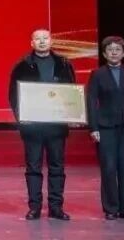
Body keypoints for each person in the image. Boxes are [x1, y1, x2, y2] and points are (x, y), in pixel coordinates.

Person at [9, 29, 77, 221]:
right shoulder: (22, 65)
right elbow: (13, 95)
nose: (41, 41)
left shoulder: (63, 64)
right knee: (33, 168)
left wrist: (73, 113)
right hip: (32, 127)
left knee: (57, 168)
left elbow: (72, 91)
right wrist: (21, 116)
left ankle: (56, 207)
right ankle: (35, 207)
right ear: (32, 43)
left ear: (51, 41)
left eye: (45, 38)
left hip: (56, 126)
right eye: (37, 39)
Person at [86, 36, 124, 220]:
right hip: (106, 128)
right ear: (105, 53)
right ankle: (111, 208)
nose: (114, 52)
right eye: (110, 50)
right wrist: (93, 128)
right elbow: (91, 102)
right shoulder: (97, 74)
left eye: (118, 49)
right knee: (109, 168)